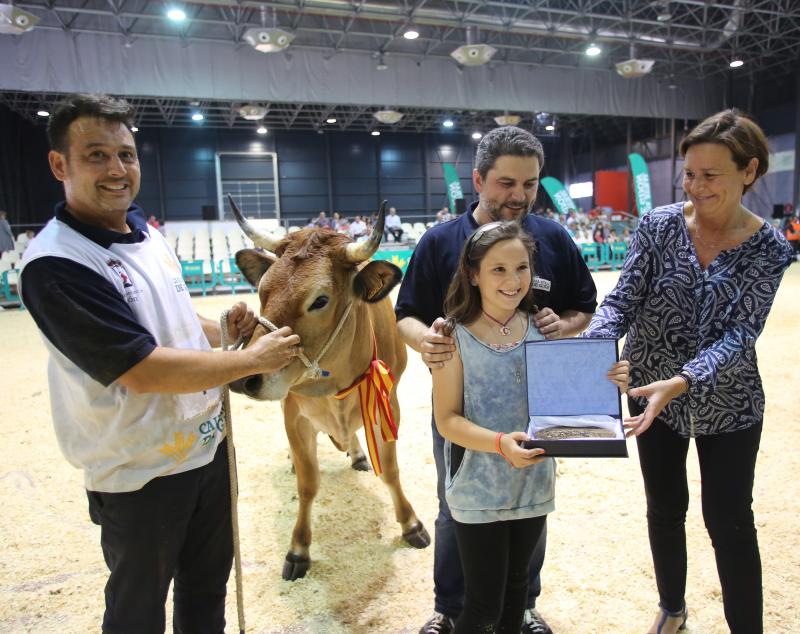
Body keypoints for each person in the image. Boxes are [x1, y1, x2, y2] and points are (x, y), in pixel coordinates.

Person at [18, 94, 301, 633]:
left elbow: (171, 321)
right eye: (96, 155)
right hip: (140, 473)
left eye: (126, 155)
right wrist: (251, 362)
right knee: (139, 609)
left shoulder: (147, 235)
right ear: (60, 165)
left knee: (205, 590)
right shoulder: (57, 265)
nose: (117, 170)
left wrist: (229, 333)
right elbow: (142, 370)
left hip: (204, 451)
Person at [583, 109, 794, 634]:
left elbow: (741, 333)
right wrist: (592, 344)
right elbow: (623, 300)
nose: (695, 186)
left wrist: (682, 382)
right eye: (689, 173)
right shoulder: (658, 226)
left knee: (729, 521)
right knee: (665, 507)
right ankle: (672, 607)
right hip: (649, 392)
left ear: (749, 171)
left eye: (710, 175)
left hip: (730, 401)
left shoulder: (768, 247)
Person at [396, 125, 598, 634]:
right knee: (454, 505)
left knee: (530, 505)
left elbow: (585, 308)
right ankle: (452, 607)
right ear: (479, 178)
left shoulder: (551, 238)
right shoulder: (440, 242)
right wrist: (429, 341)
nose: (520, 195)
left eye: (530, 184)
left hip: (533, 411)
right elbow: (406, 314)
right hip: (463, 410)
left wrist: (564, 326)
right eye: (507, 183)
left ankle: (522, 604)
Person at [432, 220, 629, 633]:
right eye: (498, 269)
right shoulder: (453, 336)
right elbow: (447, 420)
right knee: (483, 605)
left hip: (533, 483)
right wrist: (500, 443)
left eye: (521, 268)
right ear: (473, 273)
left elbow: (561, 398)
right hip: (478, 487)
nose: (513, 280)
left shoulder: (542, 328)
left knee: (516, 594)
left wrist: (607, 379)